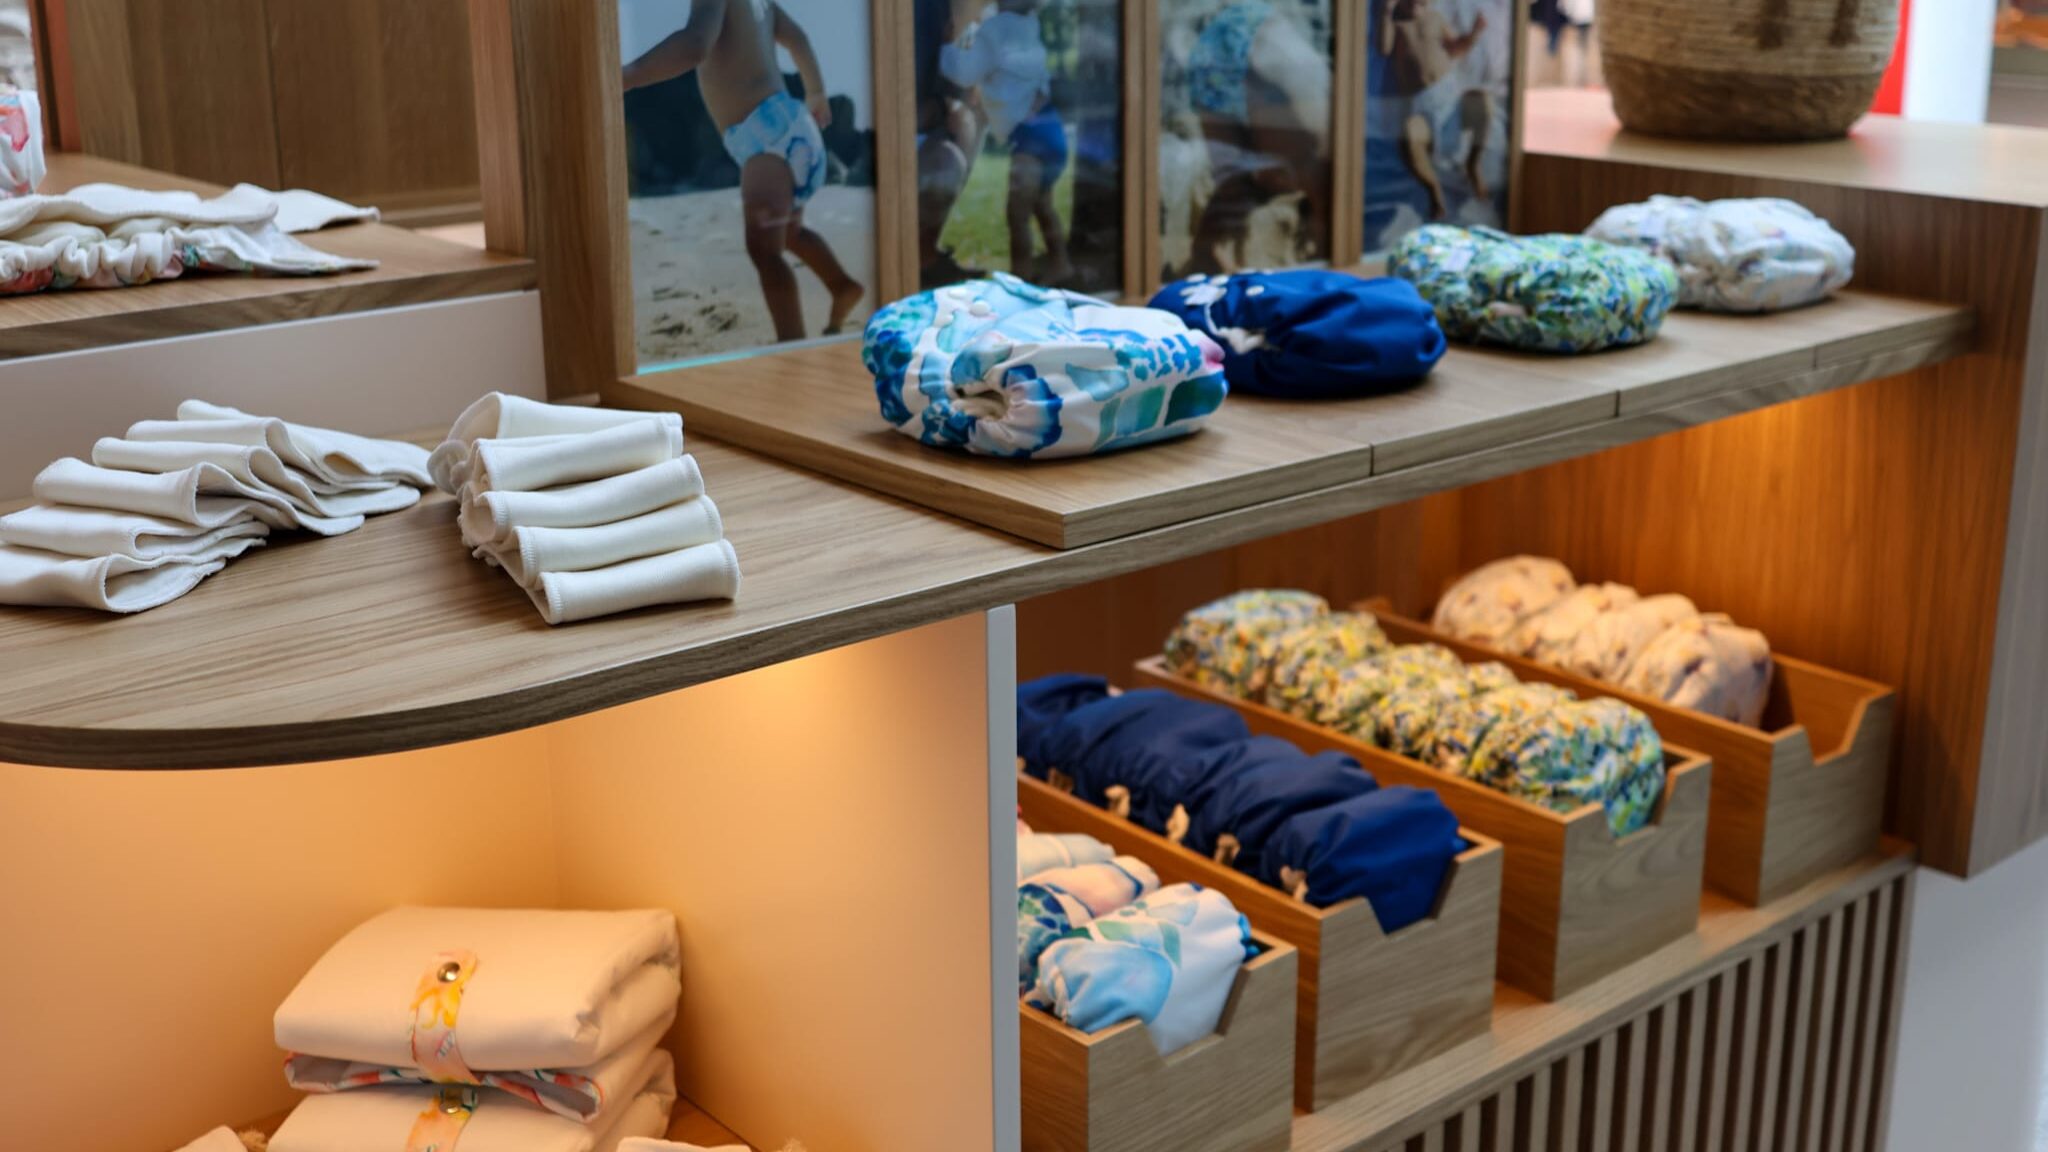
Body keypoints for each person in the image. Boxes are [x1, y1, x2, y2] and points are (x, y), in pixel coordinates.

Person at [624, 0, 865, 341]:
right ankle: (841, 286)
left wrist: (629, 76)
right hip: (792, 127)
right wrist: (816, 92)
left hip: (766, 136)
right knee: (790, 233)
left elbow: (695, 45)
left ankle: (790, 344)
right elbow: (798, 38)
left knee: (765, 251)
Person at [940, 0, 1073, 284]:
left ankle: (1020, 277)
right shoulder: (1029, 26)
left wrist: (945, 47)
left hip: (1028, 137)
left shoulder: (996, 30)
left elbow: (964, 73)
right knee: (1042, 205)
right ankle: (1060, 264)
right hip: (1049, 127)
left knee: (1017, 214)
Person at [1378, 0, 1493, 220]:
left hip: (1448, 97)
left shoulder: (1435, 18)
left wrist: (1474, 34)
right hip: (1420, 104)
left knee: (1483, 102)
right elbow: (1384, 49)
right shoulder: (1397, 24)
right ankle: (1434, 189)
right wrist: (1387, 12)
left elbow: (1455, 49)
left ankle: (1473, 164)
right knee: (1409, 135)